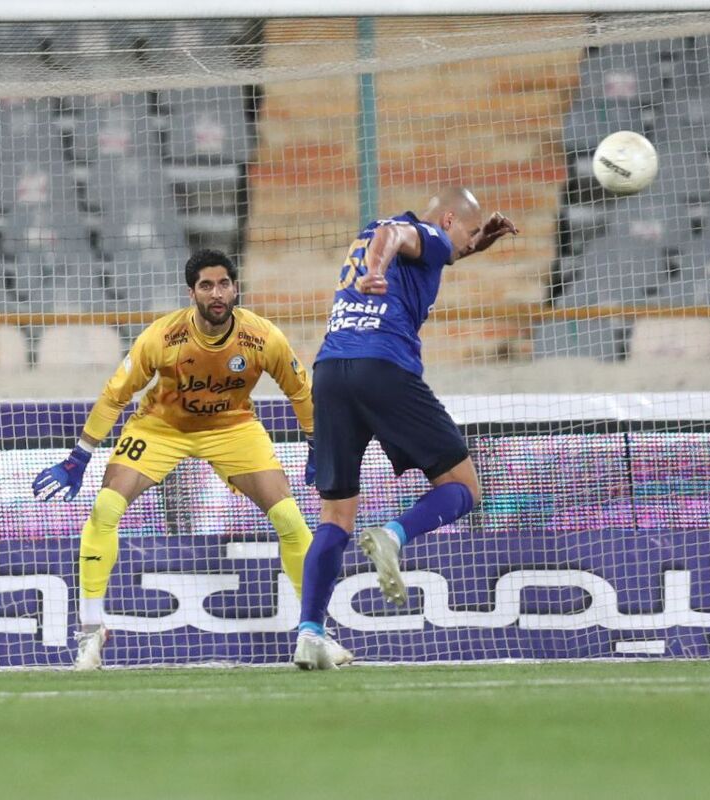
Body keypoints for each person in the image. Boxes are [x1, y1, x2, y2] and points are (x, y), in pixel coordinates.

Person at [33, 248, 350, 670]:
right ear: (191, 293)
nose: (216, 293)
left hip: (233, 429)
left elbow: (300, 391)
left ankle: (315, 632)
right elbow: (116, 395)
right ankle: (92, 631)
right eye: (206, 286)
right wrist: (79, 456)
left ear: (235, 288)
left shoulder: (263, 337)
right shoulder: (162, 337)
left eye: (223, 284)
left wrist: (316, 443)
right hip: (161, 428)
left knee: (290, 520)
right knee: (106, 507)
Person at [293, 187, 518, 670]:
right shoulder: (418, 234)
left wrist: (477, 245)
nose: (468, 243)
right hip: (384, 366)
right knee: (462, 486)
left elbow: (413, 242)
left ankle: (310, 632)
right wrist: (377, 271)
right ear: (451, 219)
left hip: (331, 371)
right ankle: (395, 535)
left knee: (334, 517)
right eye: (471, 232)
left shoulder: (377, 234)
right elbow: (403, 236)